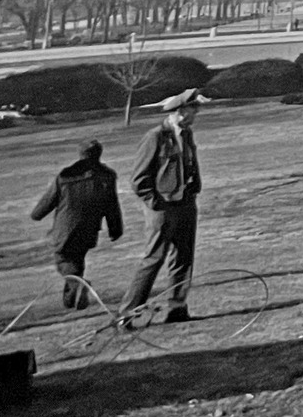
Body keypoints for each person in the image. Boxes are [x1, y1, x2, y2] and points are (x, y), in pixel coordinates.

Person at [120, 89, 206, 325]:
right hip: (162, 209)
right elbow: (139, 180)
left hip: (186, 204)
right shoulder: (155, 137)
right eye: (192, 110)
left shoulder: (186, 134)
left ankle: (177, 308)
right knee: (153, 259)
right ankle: (127, 313)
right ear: (179, 112)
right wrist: (157, 204)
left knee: (183, 258)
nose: (195, 114)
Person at [29, 139, 124, 309]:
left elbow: (49, 200)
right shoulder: (107, 175)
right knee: (77, 259)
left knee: (63, 259)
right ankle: (72, 299)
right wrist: (115, 228)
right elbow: (112, 205)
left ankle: (77, 287)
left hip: (65, 228)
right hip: (89, 229)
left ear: (80, 154)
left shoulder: (67, 174)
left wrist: (36, 215)